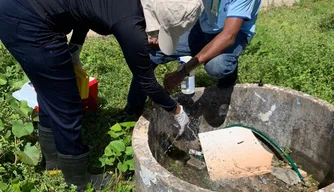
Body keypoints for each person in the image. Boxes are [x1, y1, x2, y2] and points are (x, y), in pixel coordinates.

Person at [0, 0, 203, 190]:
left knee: (51, 89)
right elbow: (147, 82)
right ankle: (77, 180)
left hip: (23, 10)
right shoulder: (129, 24)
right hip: (28, 20)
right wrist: (176, 110)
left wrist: (75, 47)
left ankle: (53, 162)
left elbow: (85, 12)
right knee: (67, 105)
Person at [127, 0, 262, 104]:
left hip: (233, 33)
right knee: (151, 53)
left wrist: (183, 71)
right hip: (204, 25)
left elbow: (228, 36)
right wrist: (154, 28)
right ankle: (133, 107)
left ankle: (228, 79)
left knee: (217, 66)